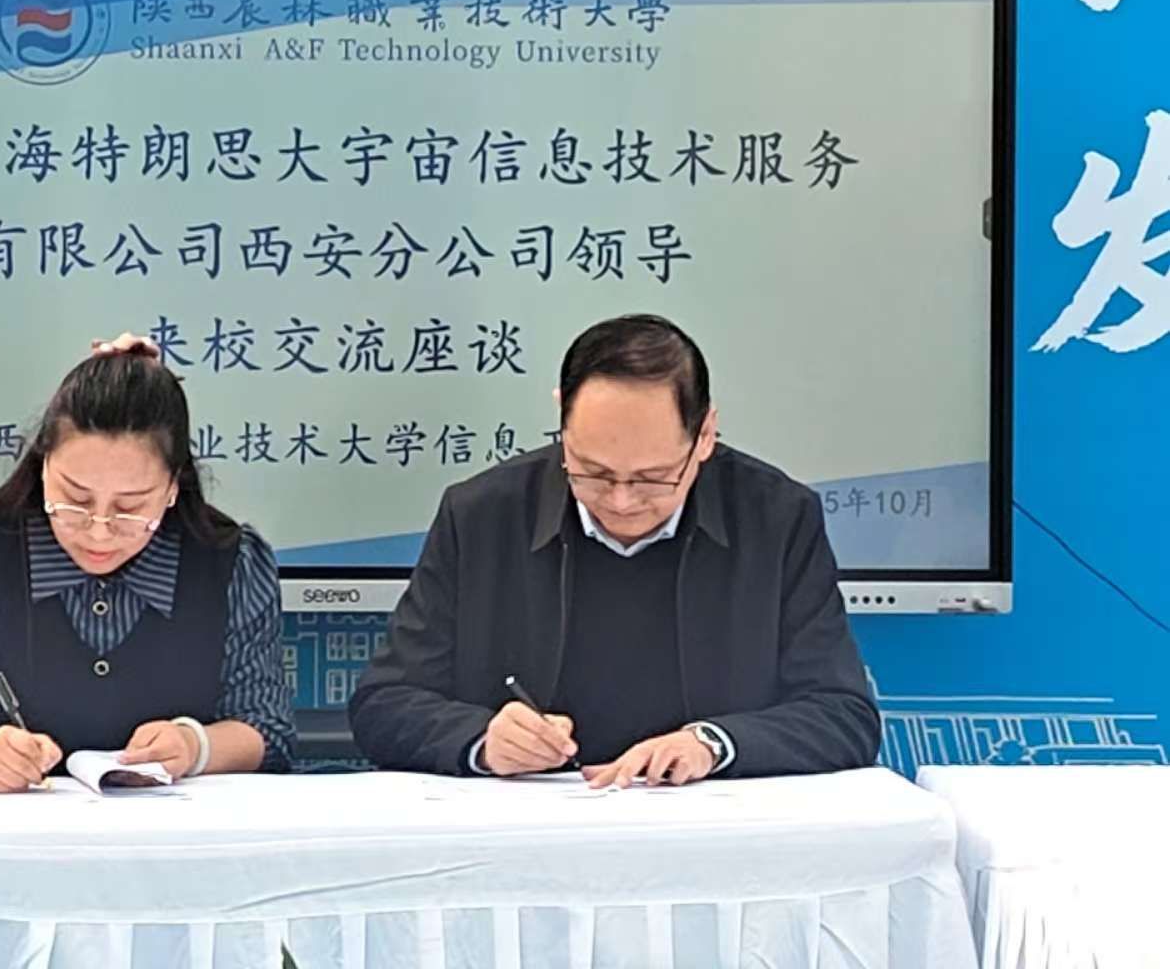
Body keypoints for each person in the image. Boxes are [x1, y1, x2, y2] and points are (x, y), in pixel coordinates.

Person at [348, 314, 881, 787]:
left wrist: (712, 745)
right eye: (593, 472)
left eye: (652, 478)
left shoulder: (776, 518)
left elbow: (843, 715)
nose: (621, 502)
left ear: (706, 435)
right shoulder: (482, 515)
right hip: (526, 834)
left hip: (708, 834)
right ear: (562, 420)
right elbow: (385, 703)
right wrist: (483, 740)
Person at [0, 344, 295, 791]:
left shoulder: (231, 563)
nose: (99, 531)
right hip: (10, 826)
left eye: (130, 507)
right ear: (43, 466)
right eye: (74, 499)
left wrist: (196, 746)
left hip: (174, 829)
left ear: (173, 487)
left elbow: (266, 727)